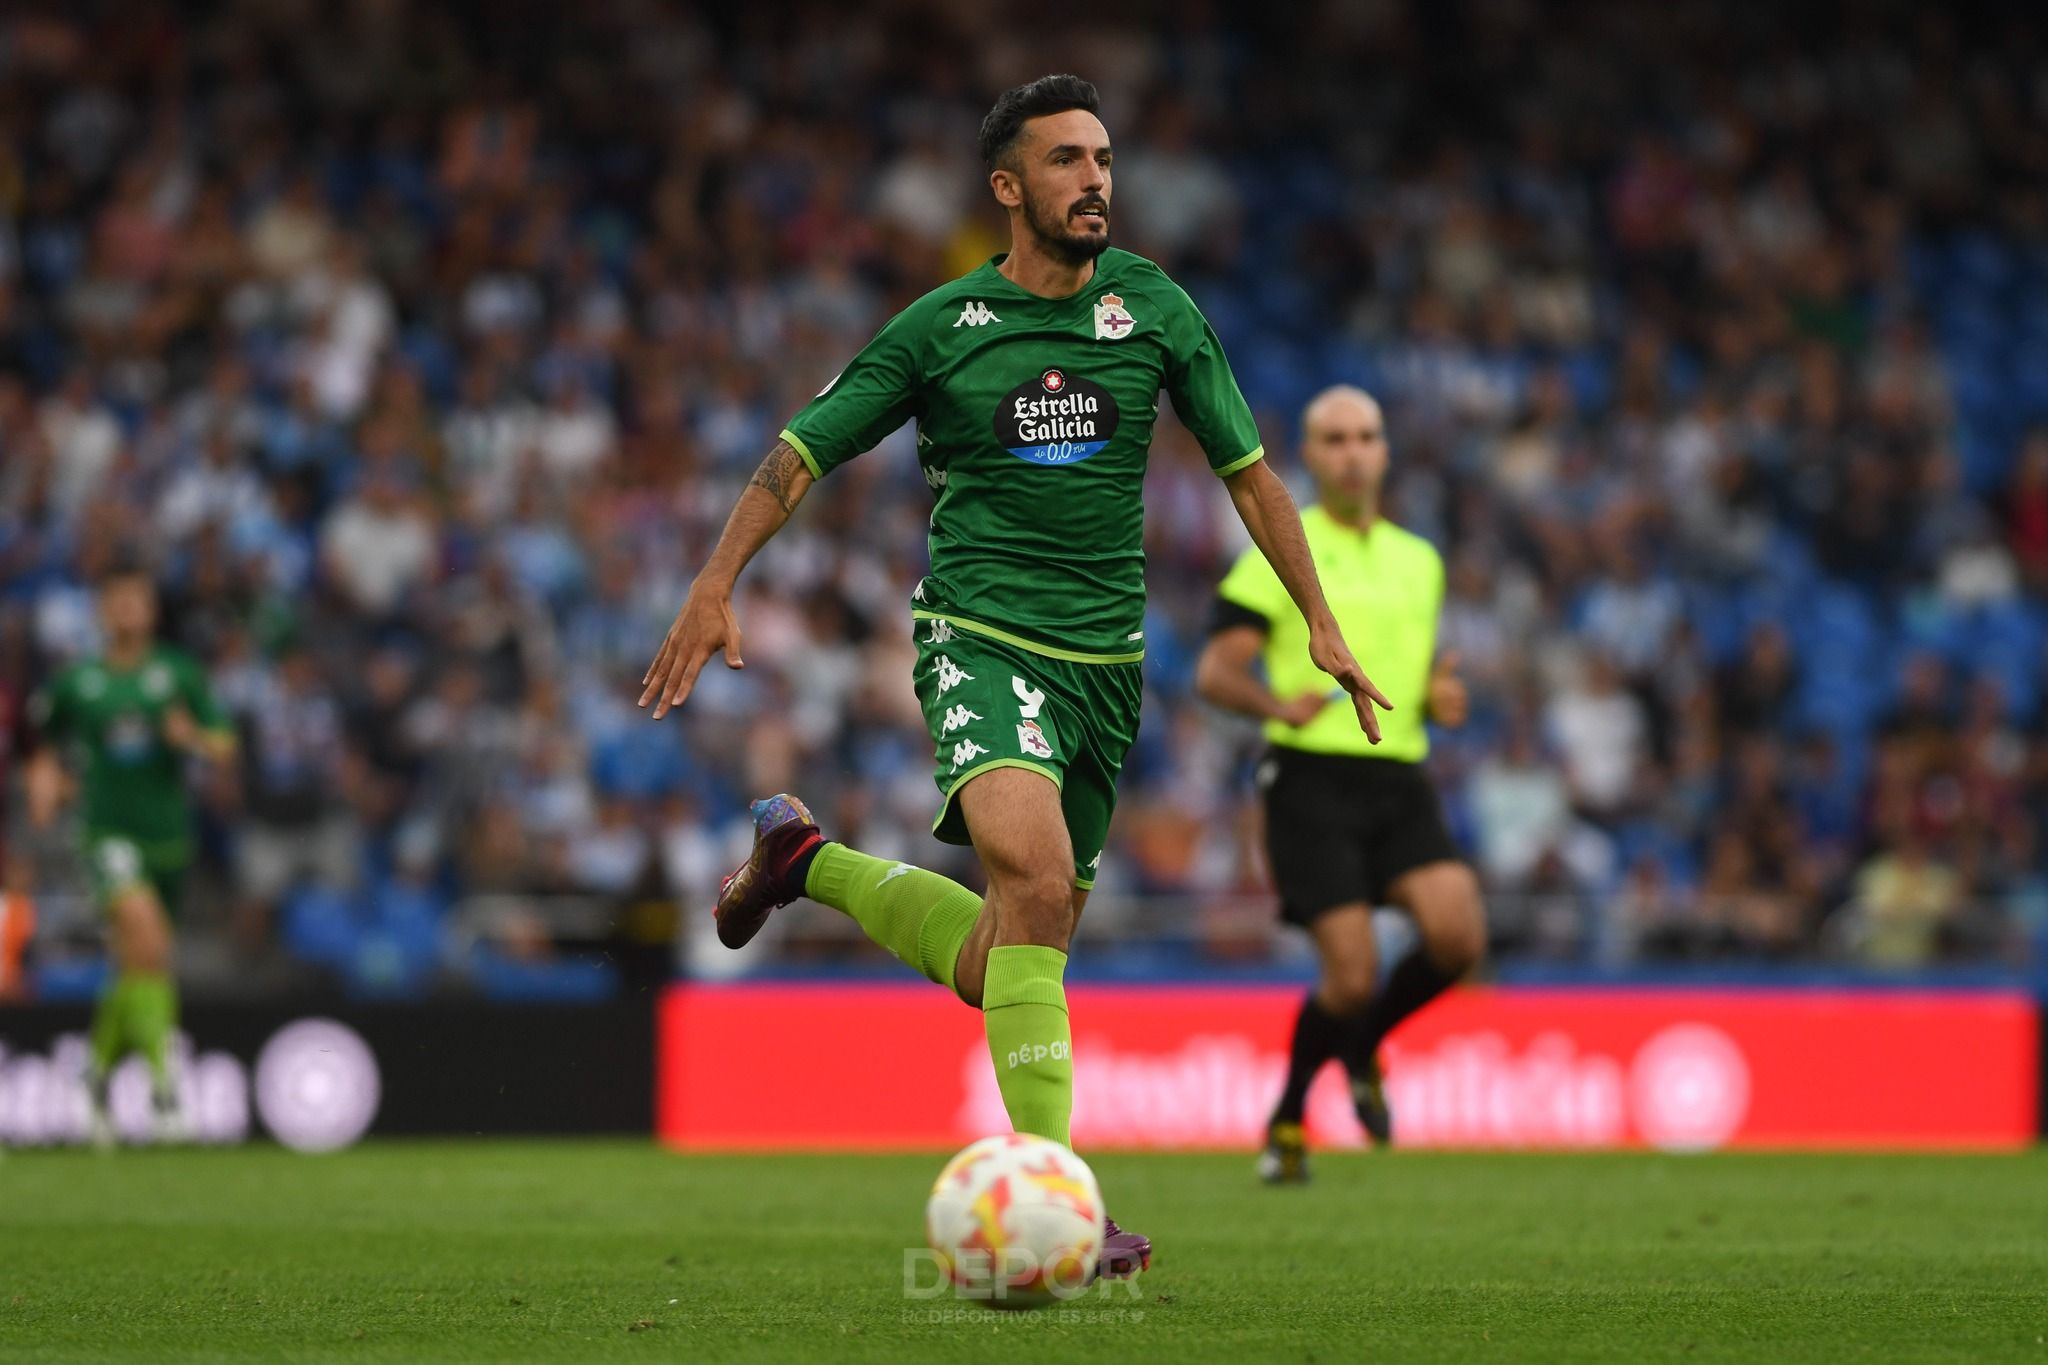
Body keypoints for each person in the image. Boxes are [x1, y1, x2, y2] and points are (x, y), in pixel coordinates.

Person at [639, 76, 1391, 1274]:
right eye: (1064, 162)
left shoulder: (1154, 310)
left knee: (1007, 956)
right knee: (1035, 880)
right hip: (981, 637)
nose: (1094, 179)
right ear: (1007, 188)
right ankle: (1062, 1204)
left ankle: (804, 862)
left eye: (1101, 158)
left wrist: (1320, 620)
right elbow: (799, 451)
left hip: (1109, 667)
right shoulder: (942, 329)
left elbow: (1247, 471)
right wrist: (714, 580)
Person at [1195, 386, 1485, 1181]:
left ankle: (1361, 1047)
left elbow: (1412, 678)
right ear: (1312, 457)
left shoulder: (1420, 559)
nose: (1353, 451)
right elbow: (1216, 673)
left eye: (1366, 435)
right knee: (1351, 975)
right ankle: (1288, 1118)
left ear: (1386, 450)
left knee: (1458, 935)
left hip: (1398, 773)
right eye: (1335, 438)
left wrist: (1437, 698)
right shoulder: (1276, 552)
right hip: (1310, 777)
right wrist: (1272, 701)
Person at [26, 566, 236, 1145]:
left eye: (136, 601)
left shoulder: (178, 674)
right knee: (146, 937)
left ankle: (94, 1075)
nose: (126, 610)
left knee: (141, 964)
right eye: (115, 601)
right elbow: (42, 745)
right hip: (105, 833)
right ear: (101, 610)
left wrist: (189, 738)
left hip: (168, 836)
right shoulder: (78, 682)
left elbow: (224, 745)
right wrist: (44, 783)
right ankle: (167, 1092)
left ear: (151, 610)